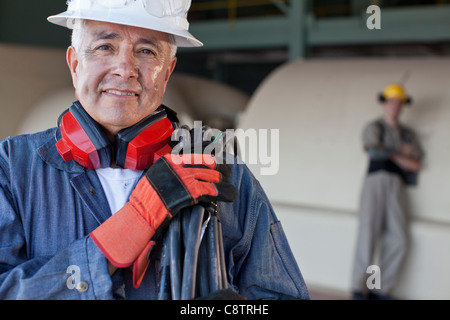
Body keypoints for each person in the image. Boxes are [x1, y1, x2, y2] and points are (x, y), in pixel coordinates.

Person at [0, 0, 310, 300]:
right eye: (105, 47)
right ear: (75, 63)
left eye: (146, 51)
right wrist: (128, 228)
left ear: (167, 72)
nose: (125, 69)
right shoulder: (12, 169)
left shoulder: (219, 174)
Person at [351, 83, 424, 300]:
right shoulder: (375, 127)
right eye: (391, 101)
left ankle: (380, 289)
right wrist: (401, 153)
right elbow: (374, 151)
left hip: (397, 185)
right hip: (375, 181)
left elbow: (416, 164)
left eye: (399, 102)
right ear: (384, 103)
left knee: (399, 238)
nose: (395, 106)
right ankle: (358, 288)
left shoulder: (407, 134)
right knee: (368, 235)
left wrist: (389, 151)